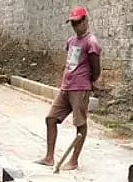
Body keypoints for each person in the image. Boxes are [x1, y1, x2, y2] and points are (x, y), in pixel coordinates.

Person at [35, 6, 101, 170]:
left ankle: (73, 161)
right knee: (51, 118)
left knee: (80, 124)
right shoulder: (71, 41)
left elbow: (96, 68)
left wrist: (89, 82)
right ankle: (49, 157)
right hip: (66, 87)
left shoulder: (91, 42)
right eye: (72, 23)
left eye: (78, 22)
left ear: (85, 21)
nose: (75, 26)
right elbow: (70, 63)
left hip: (80, 88)